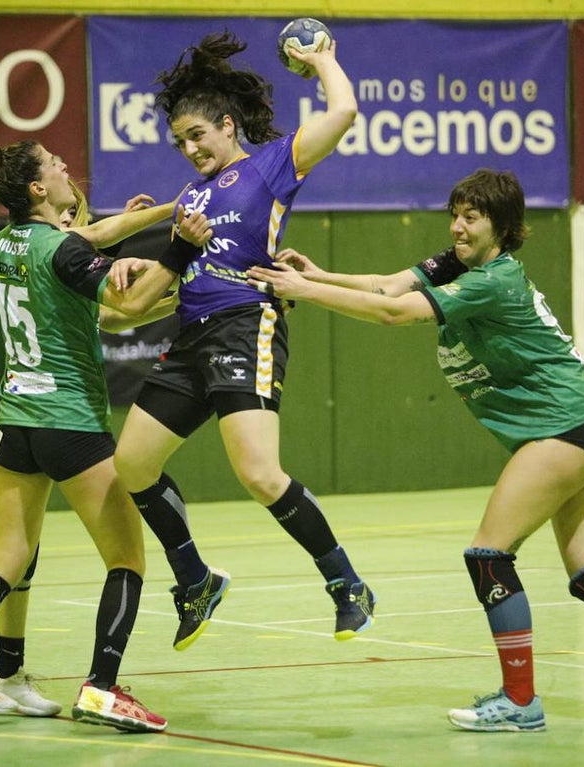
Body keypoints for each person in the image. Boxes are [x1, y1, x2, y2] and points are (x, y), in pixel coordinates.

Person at [246, 168, 584, 735]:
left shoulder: (490, 281)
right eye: (455, 214)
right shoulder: (459, 265)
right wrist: (320, 274)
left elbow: (394, 314)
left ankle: (520, 701)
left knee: (488, 557)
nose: (457, 227)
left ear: (502, 227)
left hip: (564, 428)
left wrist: (301, 292)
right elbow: (386, 286)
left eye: (471, 217)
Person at [0, 138, 211, 732]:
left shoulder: (5, 243)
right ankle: (102, 687)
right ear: (38, 190)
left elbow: (96, 262)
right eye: (54, 164)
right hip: (65, 420)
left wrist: (151, 230)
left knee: (7, 554)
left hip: (14, 422)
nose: (66, 166)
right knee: (126, 557)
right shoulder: (65, 250)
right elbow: (127, 292)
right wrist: (180, 248)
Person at [110, 31, 376, 653]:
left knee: (258, 473)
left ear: (228, 127)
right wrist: (132, 265)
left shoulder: (271, 165)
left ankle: (347, 584)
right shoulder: (191, 201)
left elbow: (342, 113)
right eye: (180, 142)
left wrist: (323, 62)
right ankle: (196, 581)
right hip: (191, 335)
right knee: (132, 464)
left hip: (243, 323)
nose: (190, 148)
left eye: (198, 135)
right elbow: (162, 280)